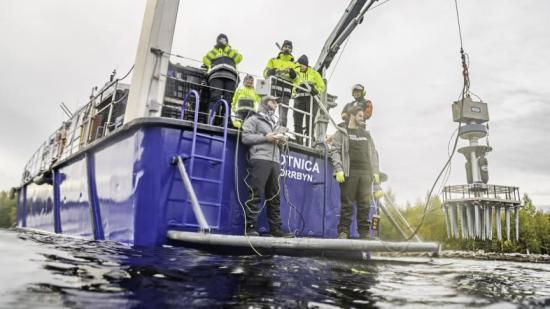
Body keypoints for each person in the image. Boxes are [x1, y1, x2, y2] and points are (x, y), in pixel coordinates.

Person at [241, 95, 293, 237]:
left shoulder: (274, 123)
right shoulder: (253, 119)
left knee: (274, 196)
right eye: (273, 102)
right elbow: (245, 137)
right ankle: (250, 227)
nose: (276, 104)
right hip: (260, 159)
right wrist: (266, 138)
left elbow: (274, 140)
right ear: (265, 103)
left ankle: (276, 229)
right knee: (255, 193)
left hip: (275, 161)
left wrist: (281, 143)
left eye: (277, 102)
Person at [329, 106, 381, 239]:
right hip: (349, 173)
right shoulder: (341, 132)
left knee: (365, 205)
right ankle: (343, 232)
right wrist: (339, 169)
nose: (362, 119)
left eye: (362, 116)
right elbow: (334, 151)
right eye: (360, 116)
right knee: (347, 204)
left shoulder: (366, 135)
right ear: (352, 116)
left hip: (366, 175)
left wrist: (375, 172)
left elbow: (374, 154)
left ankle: (364, 233)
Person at [203, 33, 243, 124]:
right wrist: (216, 48)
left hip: (231, 77)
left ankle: (225, 123)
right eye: (220, 39)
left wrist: (226, 48)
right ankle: (210, 122)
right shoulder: (214, 51)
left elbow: (238, 58)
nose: (222, 40)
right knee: (215, 98)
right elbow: (206, 60)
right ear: (217, 41)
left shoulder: (232, 50)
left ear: (227, 41)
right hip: (216, 75)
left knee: (228, 100)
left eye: (224, 39)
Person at [292, 55, 326, 146]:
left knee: (309, 123)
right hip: (299, 99)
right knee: (297, 123)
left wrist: (315, 89)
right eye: (299, 64)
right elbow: (292, 85)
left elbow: (322, 86)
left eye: (301, 64)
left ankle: (308, 143)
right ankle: (298, 142)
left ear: (306, 65)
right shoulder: (296, 72)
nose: (299, 66)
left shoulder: (314, 73)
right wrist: (295, 91)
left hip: (311, 100)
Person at [263, 40, 297, 127]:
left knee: (283, 115)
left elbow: (297, 78)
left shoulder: (294, 64)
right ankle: (267, 127)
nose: (287, 48)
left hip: (286, 92)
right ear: (282, 48)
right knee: (270, 110)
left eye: (289, 47)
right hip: (274, 89)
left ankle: (281, 131)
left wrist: (290, 71)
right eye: (285, 46)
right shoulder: (273, 60)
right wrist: (275, 70)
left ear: (291, 50)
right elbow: (265, 73)